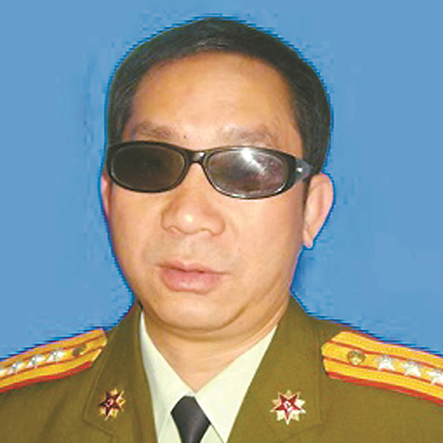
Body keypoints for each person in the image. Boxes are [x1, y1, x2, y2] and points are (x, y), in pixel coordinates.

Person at [0, 16, 442, 442]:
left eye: (246, 171)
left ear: (311, 210)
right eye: (151, 163)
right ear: (109, 197)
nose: (188, 216)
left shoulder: (418, 423)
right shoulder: (18, 418)